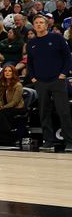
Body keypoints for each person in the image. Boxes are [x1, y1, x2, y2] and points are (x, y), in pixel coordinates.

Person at [27, 14, 72, 151]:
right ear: (34, 26)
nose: (39, 25)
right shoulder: (31, 43)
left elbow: (67, 57)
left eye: (42, 22)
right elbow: (30, 63)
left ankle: (70, 141)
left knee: (63, 111)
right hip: (41, 82)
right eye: (36, 23)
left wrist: (63, 74)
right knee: (43, 112)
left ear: (47, 25)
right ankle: (48, 141)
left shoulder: (57, 38)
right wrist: (33, 78)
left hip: (57, 80)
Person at [0, 65, 25, 145]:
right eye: (5, 71)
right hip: (6, 108)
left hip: (18, 108)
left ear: (13, 73)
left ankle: (8, 137)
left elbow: (15, 102)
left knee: (1, 113)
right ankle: (2, 137)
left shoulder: (18, 85)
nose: (7, 73)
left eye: (10, 71)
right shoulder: (1, 84)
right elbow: (0, 99)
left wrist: (2, 107)